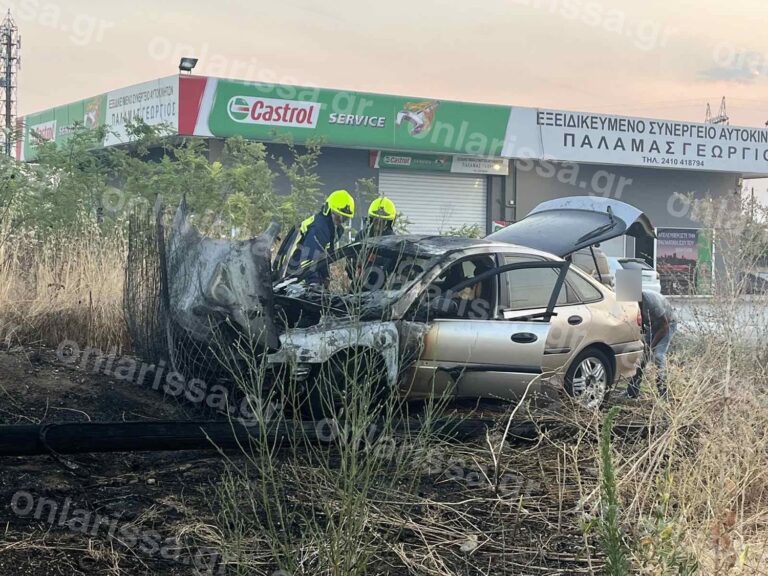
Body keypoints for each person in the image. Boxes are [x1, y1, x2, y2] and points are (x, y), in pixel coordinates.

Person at [285, 189, 355, 286]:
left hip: (301, 272)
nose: (341, 221)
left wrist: (325, 276)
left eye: (345, 219)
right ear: (329, 211)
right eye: (339, 217)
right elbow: (308, 259)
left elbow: (322, 257)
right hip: (294, 274)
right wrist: (315, 283)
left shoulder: (330, 228)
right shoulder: (319, 228)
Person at [627, 290, 677, 398]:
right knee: (643, 355)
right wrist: (643, 340)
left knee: (658, 355)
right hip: (652, 325)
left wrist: (651, 346)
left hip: (667, 324)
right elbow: (641, 325)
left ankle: (663, 390)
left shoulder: (652, 302)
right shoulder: (631, 304)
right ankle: (633, 389)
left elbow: (664, 326)